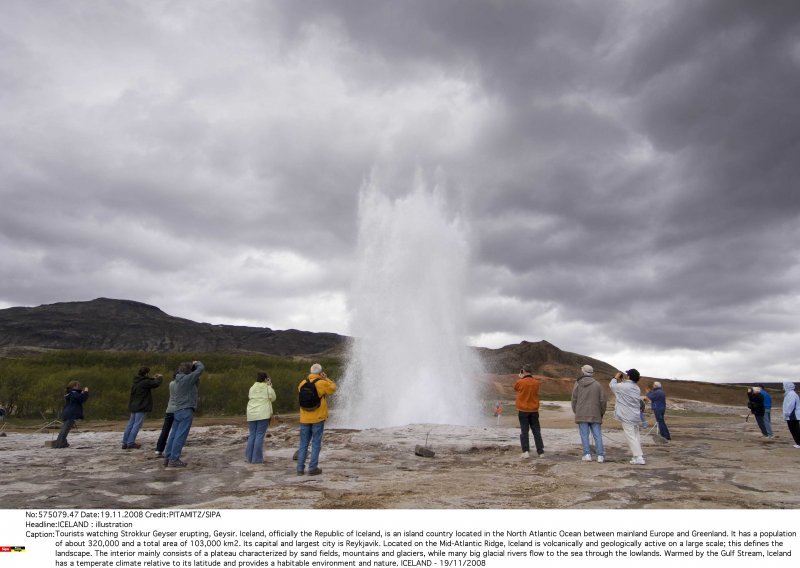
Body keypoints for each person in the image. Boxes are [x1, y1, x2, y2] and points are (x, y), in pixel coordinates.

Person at [296, 363, 337, 476]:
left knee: (303, 443)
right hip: (318, 417)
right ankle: (313, 468)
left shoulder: (302, 383)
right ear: (319, 372)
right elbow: (333, 388)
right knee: (316, 443)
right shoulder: (322, 383)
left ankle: (300, 469)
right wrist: (326, 378)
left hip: (304, 418)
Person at [163, 361, 204, 467]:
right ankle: (174, 459)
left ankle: (168, 457)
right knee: (180, 436)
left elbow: (196, 381)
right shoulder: (187, 380)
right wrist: (197, 363)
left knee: (173, 435)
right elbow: (200, 369)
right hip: (186, 410)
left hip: (177, 410)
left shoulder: (177, 380)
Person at [571, 364, 607, 463]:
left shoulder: (577, 383)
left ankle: (587, 455)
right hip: (595, 413)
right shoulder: (598, 384)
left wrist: (576, 411)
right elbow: (603, 401)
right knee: (597, 435)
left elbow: (574, 399)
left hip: (581, 413)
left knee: (584, 435)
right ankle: (600, 456)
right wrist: (601, 412)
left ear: (583, 372)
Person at [610, 369, 645, 465]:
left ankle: (639, 457)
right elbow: (624, 388)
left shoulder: (624, 386)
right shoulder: (636, 387)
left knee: (630, 436)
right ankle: (637, 456)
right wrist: (622, 381)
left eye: (627, 374)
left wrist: (615, 378)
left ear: (629, 376)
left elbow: (612, 386)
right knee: (635, 436)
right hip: (635, 415)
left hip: (627, 416)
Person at [122, 367, 163, 450]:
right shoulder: (145, 382)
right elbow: (155, 384)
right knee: (137, 424)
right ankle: (130, 442)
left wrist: (152, 378)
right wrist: (160, 377)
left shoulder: (136, 382)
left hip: (133, 406)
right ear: (146, 374)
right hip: (140, 406)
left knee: (130, 424)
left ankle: (125, 442)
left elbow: (147, 381)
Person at [245, 372, 277, 464]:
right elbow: (273, 398)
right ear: (265, 379)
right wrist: (270, 385)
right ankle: (257, 459)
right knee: (259, 435)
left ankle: (249, 458)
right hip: (263, 414)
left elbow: (250, 396)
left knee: (252, 435)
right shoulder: (267, 388)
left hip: (251, 413)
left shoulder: (252, 388)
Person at [514, 366, 544, 459]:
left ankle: (525, 451)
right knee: (536, 431)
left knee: (524, 430)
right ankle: (540, 452)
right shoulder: (536, 382)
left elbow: (515, 388)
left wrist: (521, 378)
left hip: (523, 410)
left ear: (523, 371)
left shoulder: (520, 382)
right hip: (534, 410)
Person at [52, 381, 89, 449]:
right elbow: (81, 399)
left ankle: (59, 444)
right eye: (77, 386)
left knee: (63, 429)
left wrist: (82, 393)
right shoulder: (73, 393)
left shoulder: (69, 393)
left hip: (67, 413)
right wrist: (86, 392)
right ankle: (60, 445)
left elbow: (78, 397)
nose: (79, 387)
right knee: (65, 430)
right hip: (71, 414)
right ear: (74, 386)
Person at [781, 382, 800, 449]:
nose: (783, 387)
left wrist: (786, 414)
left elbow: (790, 405)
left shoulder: (791, 394)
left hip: (792, 415)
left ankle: (799, 443)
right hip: (791, 415)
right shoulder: (790, 393)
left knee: (795, 429)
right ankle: (798, 443)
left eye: (784, 386)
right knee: (794, 429)